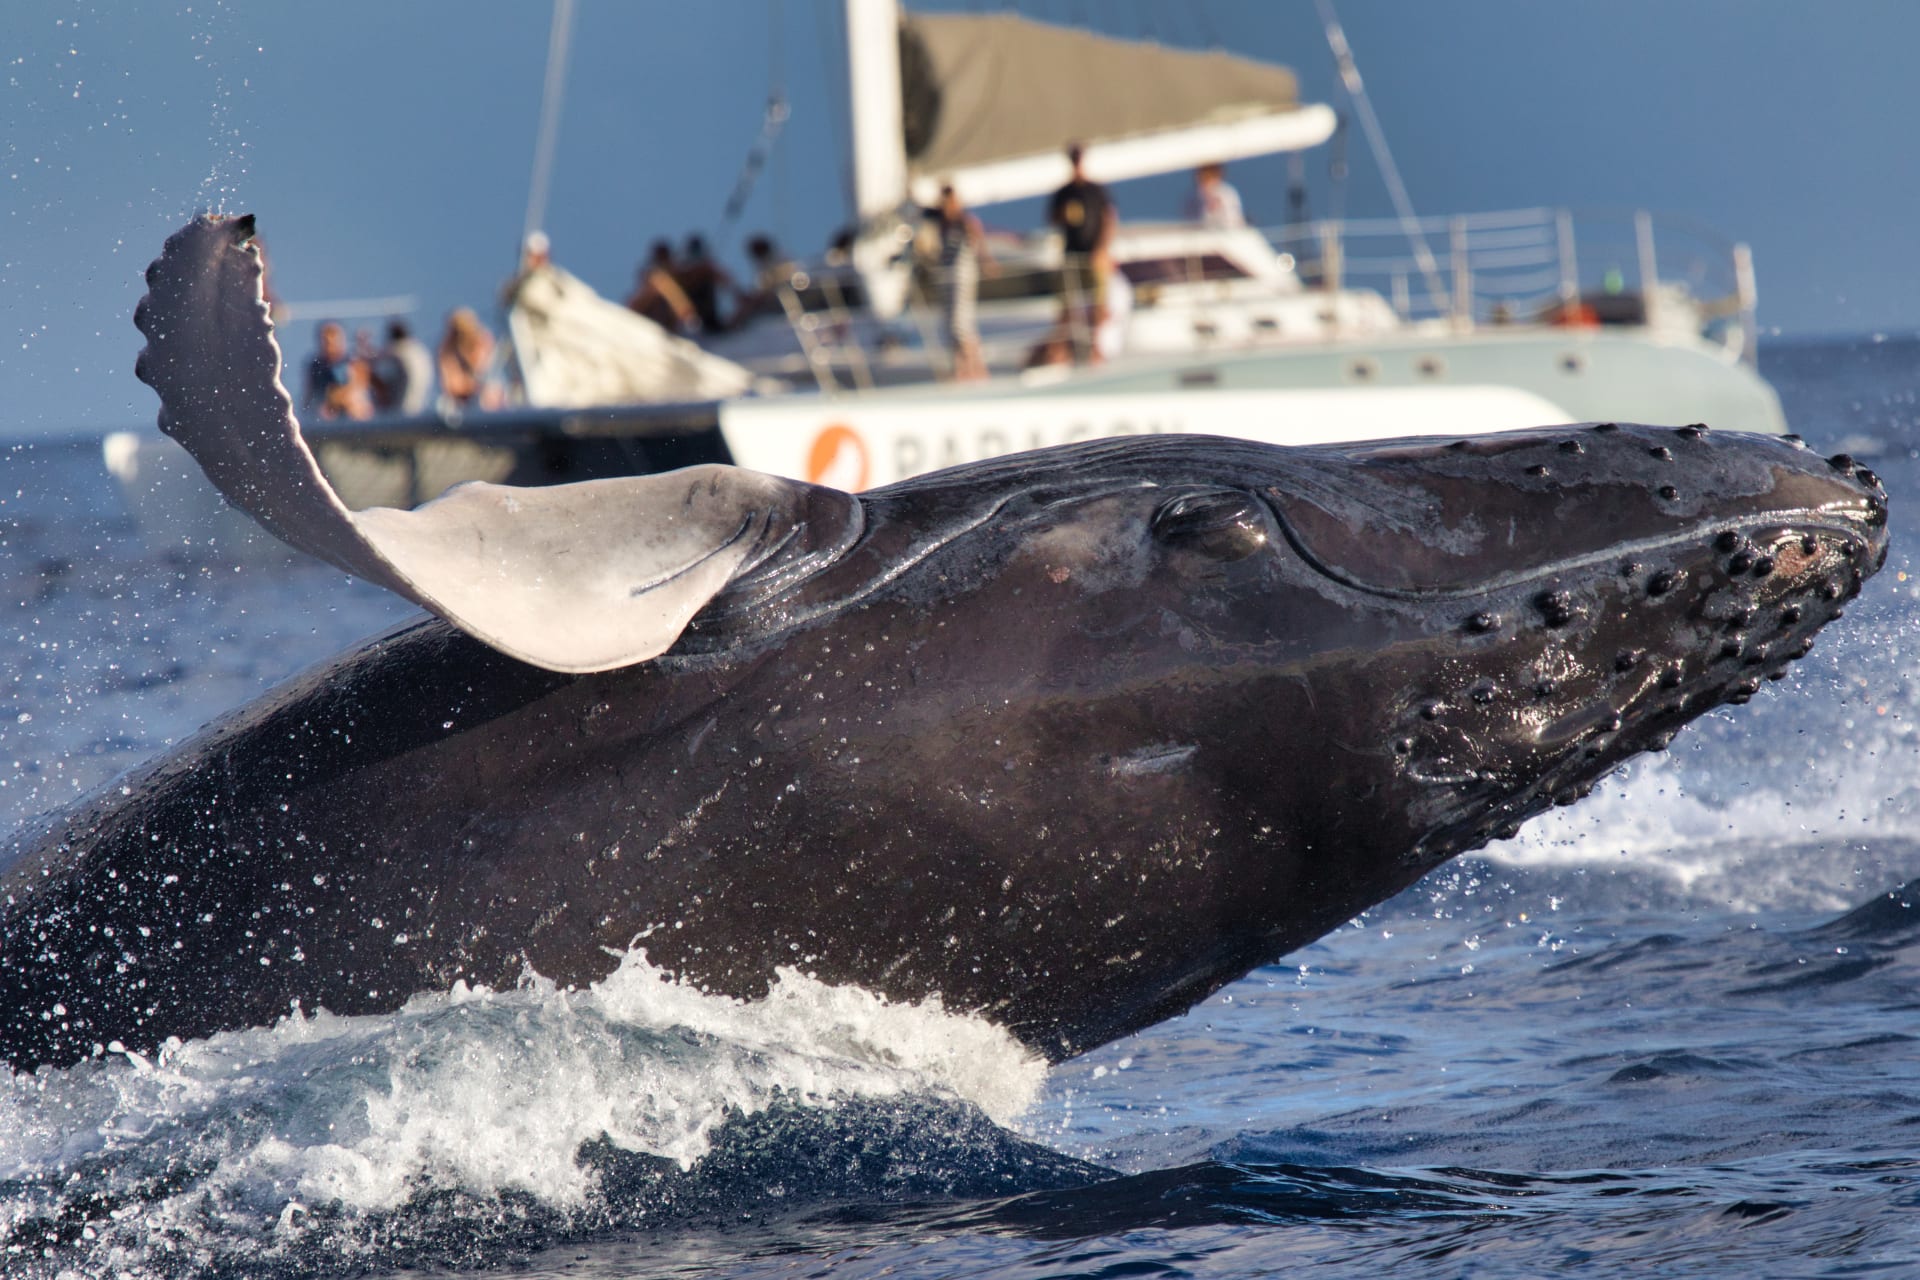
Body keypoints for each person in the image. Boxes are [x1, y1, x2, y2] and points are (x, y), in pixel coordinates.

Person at [1046, 142, 1116, 364]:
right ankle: (1067, 348)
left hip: (1093, 254)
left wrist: (1102, 249)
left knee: (1098, 303)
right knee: (1067, 304)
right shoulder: (1064, 192)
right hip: (1071, 254)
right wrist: (1064, 216)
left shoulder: (1096, 190)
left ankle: (1095, 346)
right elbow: (1052, 219)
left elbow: (1109, 218)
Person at [927, 185, 995, 381]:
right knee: (949, 324)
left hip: (962, 276)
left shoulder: (965, 221)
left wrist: (987, 262)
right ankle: (959, 369)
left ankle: (976, 368)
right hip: (947, 276)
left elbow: (979, 244)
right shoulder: (941, 223)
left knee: (961, 322)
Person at [302, 320, 373, 421]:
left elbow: (357, 391)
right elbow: (309, 398)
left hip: (354, 416)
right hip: (326, 417)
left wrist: (337, 398)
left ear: (341, 341)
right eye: (325, 342)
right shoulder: (316, 367)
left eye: (332, 342)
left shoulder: (354, 363)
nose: (329, 348)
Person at [626, 240, 700, 333]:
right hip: (646, 314)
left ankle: (688, 317)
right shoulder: (654, 277)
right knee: (660, 281)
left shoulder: (676, 275)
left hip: (669, 319)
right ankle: (687, 315)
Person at [437, 308, 502, 411]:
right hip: (461, 401)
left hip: (487, 399)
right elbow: (450, 383)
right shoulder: (448, 348)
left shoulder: (482, 342)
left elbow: (484, 369)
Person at [370, 319, 434, 415]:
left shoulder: (397, 351)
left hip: (403, 408)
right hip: (419, 406)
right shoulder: (419, 350)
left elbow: (379, 373)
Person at [675, 234, 736, 334]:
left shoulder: (708, 268)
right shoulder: (682, 270)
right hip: (688, 314)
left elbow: (727, 281)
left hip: (707, 316)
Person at [1187, 163, 1245, 230]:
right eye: (1202, 175)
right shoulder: (1192, 197)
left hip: (1227, 234)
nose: (1204, 178)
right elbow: (1190, 222)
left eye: (1209, 175)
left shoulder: (1227, 194)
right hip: (1202, 235)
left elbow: (1233, 220)